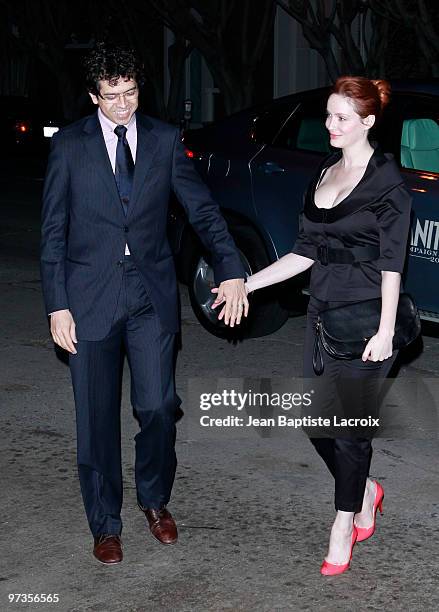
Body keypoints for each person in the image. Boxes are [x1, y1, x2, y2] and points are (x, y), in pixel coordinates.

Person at [40, 44, 248, 564]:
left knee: (157, 407)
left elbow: (202, 210)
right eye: (112, 96)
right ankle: (105, 522)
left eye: (131, 93)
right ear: (94, 96)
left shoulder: (163, 140)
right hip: (87, 295)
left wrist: (231, 267)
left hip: (149, 291)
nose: (124, 105)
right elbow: (52, 232)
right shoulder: (69, 146)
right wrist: (56, 305)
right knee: (96, 418)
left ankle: (154, 499)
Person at [219, 77, 412, 574]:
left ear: (368, 122)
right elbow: (304, 254)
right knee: (316, 423)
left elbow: (393, 263)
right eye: (328, 115)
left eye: (342, 117)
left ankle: (344, 522)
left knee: (349, 431)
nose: (331, 124)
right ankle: (366, 488)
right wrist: (248, 282)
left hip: (368, 320)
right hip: (322, 317)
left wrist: (386, 330)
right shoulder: (324, 172)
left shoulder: (387, 181)